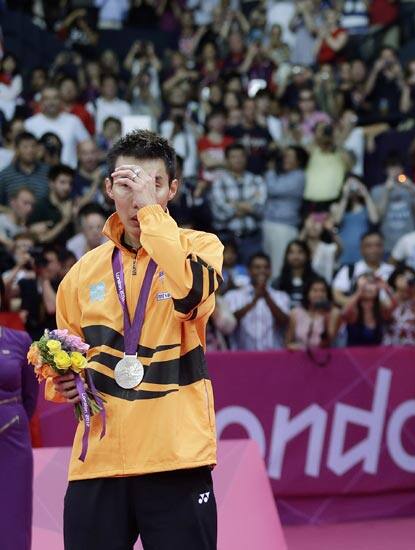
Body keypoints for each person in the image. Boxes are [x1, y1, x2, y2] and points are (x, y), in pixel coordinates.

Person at [47, 130, 223, 548]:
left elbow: (193, 295)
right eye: (127, 184)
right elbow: (64, 360)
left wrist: (152, 215)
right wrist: (63, 385)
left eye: (152, 185)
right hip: (99, 463)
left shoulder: (200, 247)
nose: (137, 198)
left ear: (172, 190)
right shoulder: (81, 274)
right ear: (109, 187)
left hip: (175, 457)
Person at [0, 320, 36, 550]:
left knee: (13, 517)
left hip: (12, 441)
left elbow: (30, 397)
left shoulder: (20, 340)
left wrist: (10, 419)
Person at [209, 144, 267, 263]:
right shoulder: (218, 182)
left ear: (246, 158)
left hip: (252, 238)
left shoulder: (257, 180)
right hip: (226, 238)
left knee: (252, 278)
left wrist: (233, 204)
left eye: (241, 156)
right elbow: (218, 214)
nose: (238, 160)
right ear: (227, 160)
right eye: (234, 157)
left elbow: (261, 210)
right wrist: (247, 207)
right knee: (225, 278)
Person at [223, 252, 291, 350]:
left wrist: (267, 297)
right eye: (257, 267)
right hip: (242, 358)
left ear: (270, 271)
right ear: (249, 270)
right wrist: (254, 300)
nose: (262, 271)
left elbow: (284, 322)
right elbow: (229, 323)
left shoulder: (281, 296)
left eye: (266, 267)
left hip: (274, 357)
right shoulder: (232, 296)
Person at [262, 145, 307, 275]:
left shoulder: (299, 176)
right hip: (270, 223)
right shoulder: (281, 175)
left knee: (278, 267)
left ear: (299, 161)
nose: (285, 159)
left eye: (289, 157)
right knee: (267, 266)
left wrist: (270, 170)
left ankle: (278, 294)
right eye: (284, 156)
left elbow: (273, 189)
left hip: (284, 226)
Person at [24, 86, 92, 168]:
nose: (51, 102)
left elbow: (87, 146)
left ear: (61, 101)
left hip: (69, 174)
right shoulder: (30, 124)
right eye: (47, 99)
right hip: (38, 176)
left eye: (55, 98)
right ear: (40, 102)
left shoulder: (73, 121)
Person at [371, 155, 415, 255]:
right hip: (387, 244)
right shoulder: (377, 190)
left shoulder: (413, 188)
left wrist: (411, 187)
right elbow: (378, 217)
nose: (395, 170)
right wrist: (386, 191)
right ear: (385, 170)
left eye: (398, 167)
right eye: (391, 167)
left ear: (402, 169)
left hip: (410, 243)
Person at [332, 231, 396, 307]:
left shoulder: (393, 271)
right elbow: (337, 296)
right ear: (361, 249)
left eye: (378, 245)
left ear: (383, 247)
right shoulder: (349, 270)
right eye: (369, 246)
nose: (374, 249)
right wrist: (361, 306)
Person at [383, 266, 415, 346]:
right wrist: (397, 296)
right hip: (391, 351)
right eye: (402, 277)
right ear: (395, 281)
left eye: (410, 279)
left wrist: (412, 296)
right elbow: (386, 318)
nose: (406, 281)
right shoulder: (388, 302)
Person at [286, 277, 338, 351]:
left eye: (323, 291)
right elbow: (287, 343)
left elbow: (327, 342)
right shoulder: (295, 313)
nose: (319, 294)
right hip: (299, 358)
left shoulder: (333, 313)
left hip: (323, 359)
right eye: (315, 290)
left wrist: (301, 348)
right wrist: (293, 347)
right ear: (307, 293)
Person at [341, 273, 392, 347]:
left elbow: (395, 305)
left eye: (371, 283)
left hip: (377, 356)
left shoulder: (381, 310)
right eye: (365, 284)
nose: (368, 287)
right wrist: (359, 291)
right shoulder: (354, 310)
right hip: (354, 356)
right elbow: (344, 313)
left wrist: (386, 288)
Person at [0, 133, 50, 203]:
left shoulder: (48, 172)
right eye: (25, 147)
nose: (30, 150)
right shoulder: (5, 175)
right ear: (17, 149)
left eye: (33, 146)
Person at [273, 240, 320, 310]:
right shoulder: (277, 283)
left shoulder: (316, 281)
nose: (296, 256)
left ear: (307, 255)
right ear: (286, 256)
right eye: (291, 252)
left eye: (300, 252)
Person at [0, 188, 36, 253]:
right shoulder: (1, 221)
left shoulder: (25, 229)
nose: (29, 208)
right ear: (13, 202)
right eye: (25, 203)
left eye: (32, 205)